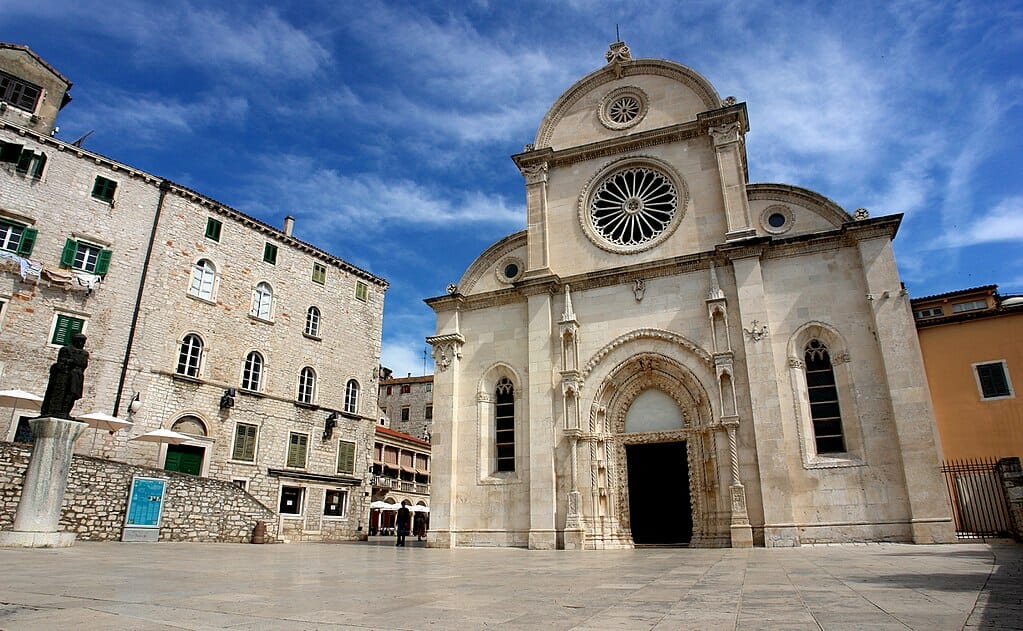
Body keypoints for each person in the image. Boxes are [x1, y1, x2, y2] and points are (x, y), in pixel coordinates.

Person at [39, 332, 89, 420]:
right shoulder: (65, 349)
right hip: (65, 376)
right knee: (61, 393)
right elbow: (62, 362)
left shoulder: (84, 353)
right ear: (75, 341)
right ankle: (56, 411)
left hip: (77, 376)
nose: (82, 343)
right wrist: (73, 363)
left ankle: (65, 412)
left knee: (72, 395)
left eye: (83, 342)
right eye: (80, 341)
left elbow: (84, 364)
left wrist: (73, 362)